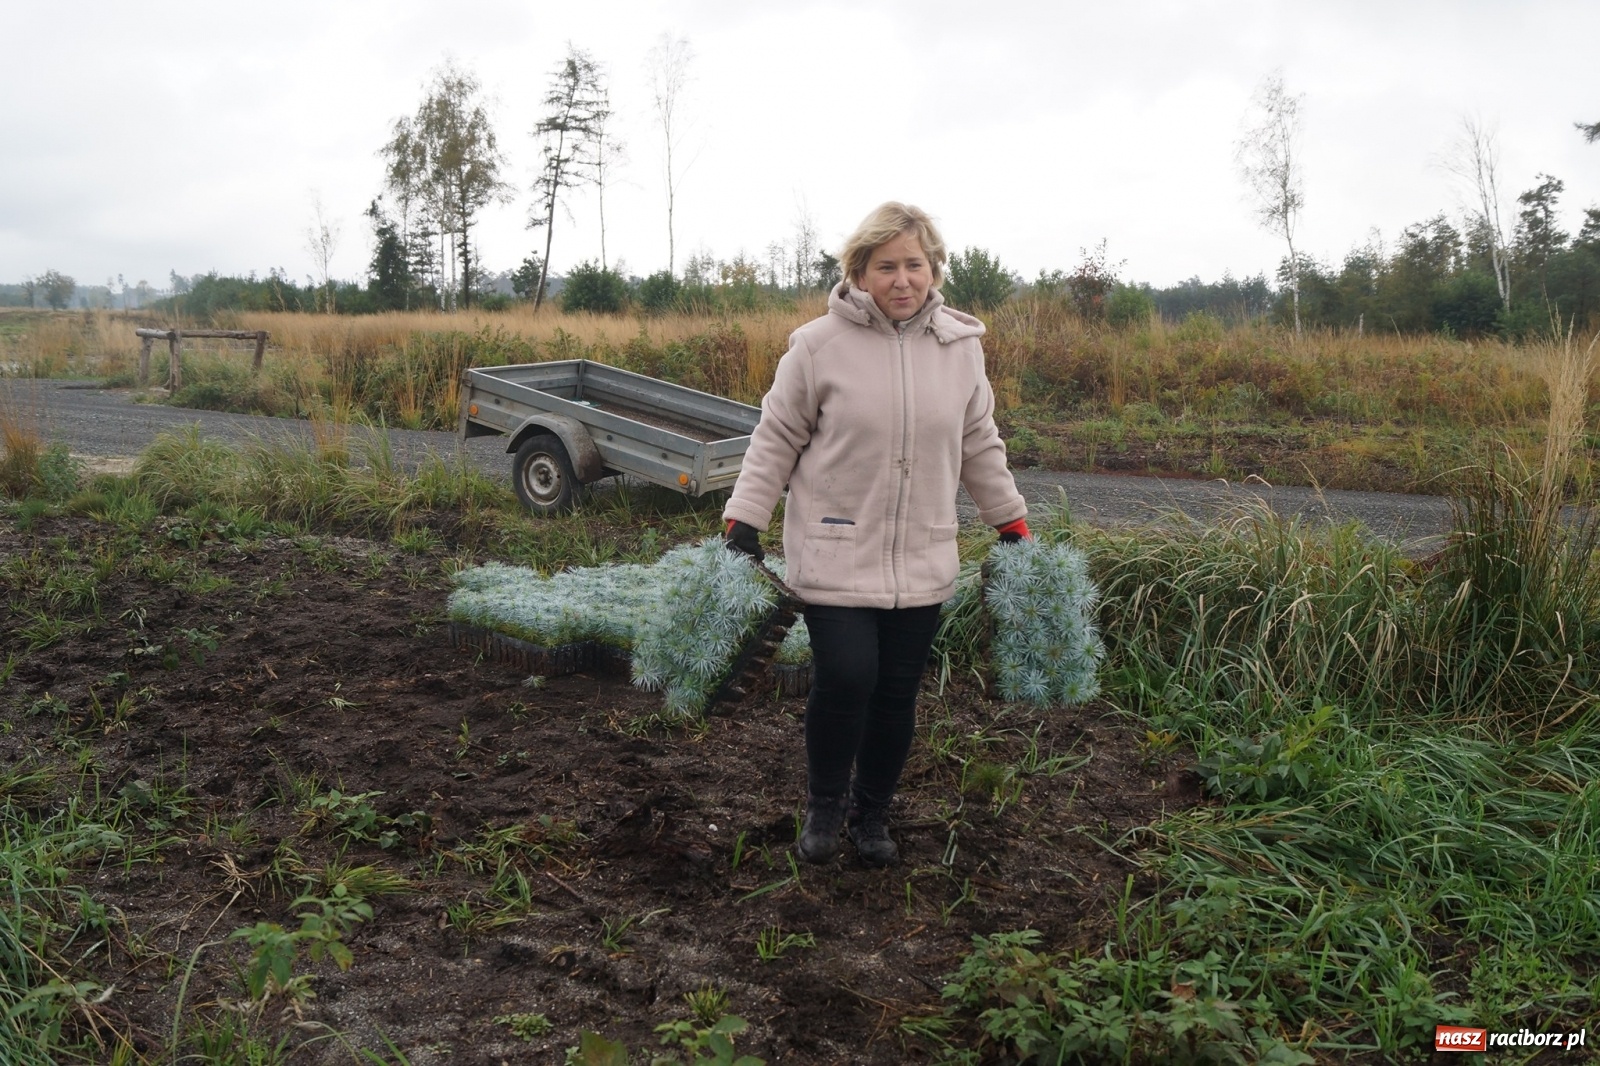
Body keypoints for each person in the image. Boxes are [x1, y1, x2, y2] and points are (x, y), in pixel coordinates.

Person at [722, 202, 1030, 867]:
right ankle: (825, 804)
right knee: (847, 676)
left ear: (934, 269)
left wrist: (1009, 517)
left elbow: (979, 441)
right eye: (885, 266)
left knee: (895, 692)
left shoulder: (959, 349)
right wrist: (744, 518)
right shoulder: (817, 347)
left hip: (923, 552)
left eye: (913, 265)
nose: (901, 279)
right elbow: (776, 437)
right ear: (858, 273)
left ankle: (872, 814)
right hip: (835, 549)